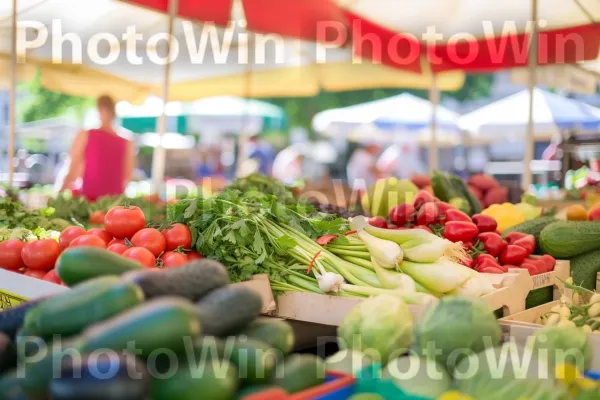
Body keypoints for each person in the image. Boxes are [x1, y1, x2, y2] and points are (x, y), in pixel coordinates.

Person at [60, 95, 135, 200]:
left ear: (99, 110)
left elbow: (73, 168)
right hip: (115, 201)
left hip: (90, 199)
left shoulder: (86, 134)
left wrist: (60, 193)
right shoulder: (127, 140)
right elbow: (128, 175)